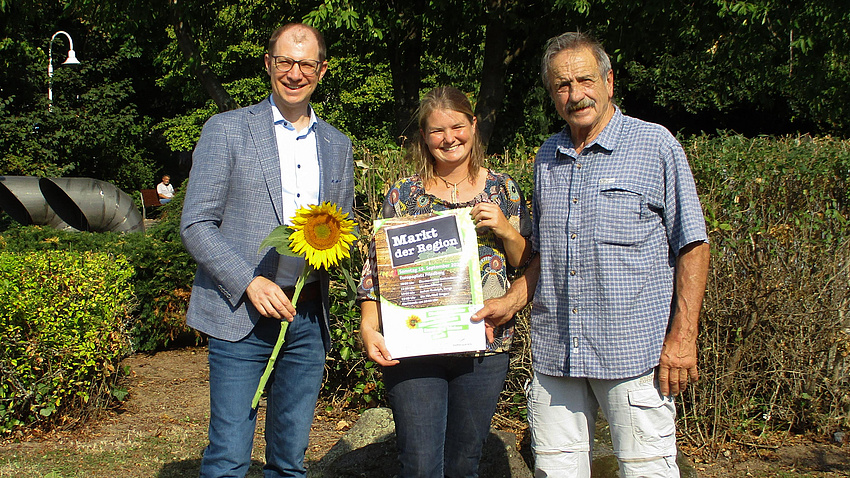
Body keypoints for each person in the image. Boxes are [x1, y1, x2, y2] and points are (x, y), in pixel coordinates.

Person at [513, 31, 711, 477]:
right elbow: (544, 253)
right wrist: (509, 301)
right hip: (556, 353)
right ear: (552, 94)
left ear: (609, 81)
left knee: (647, 470)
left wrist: (683, 338)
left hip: (633, 355)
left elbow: (693, 245)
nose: (575, 95)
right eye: (562, 86)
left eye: (584, 80)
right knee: (554, 470)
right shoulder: (547, 156)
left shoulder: (655, 145)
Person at [180, 23, 354, 478]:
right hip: (240, 314)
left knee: (290, 460)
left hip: (307, 316)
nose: (295, 73)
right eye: (285, 62)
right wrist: (248, 280)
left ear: (322, 69)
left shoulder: (337, 145)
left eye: (306, 64)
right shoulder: (227, 130)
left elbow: (340, 231)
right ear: (268, 64)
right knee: (229, 456)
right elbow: (196, 224)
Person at [358, 86, 533, 478]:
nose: (449, 138)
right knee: (419, 465)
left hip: (484, 347)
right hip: (415, 345)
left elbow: (528, 264)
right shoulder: (403, 194)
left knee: (463, 464)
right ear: (424, 135)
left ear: (473, 124)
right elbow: (376, 270)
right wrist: (369, 325)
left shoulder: (503, 189)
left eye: (457, 126)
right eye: (437, 130)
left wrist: (506, 229)